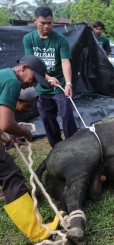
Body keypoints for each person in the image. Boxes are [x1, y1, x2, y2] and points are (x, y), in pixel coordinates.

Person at [0, 55, 61, 242]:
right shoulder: (12, 81)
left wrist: (8, 138)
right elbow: (5, 122)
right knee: (10, 174)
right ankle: (38, 232)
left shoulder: (3, 75)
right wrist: (24, 132)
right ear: (23, 68)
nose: (33, 84)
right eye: (34, 78)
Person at [23, 6, 77, 147]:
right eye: (43, 23)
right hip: (42, 86)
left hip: (60, 86)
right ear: (35, 21)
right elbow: (31, 63)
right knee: (47, 118)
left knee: (67, 116)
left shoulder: (60, 40)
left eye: (50, 22)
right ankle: (56, 147)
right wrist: (47, 78)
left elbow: (65, 61)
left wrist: (68, 84)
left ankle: (73, 145)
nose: (47, 26)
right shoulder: (28, 39)